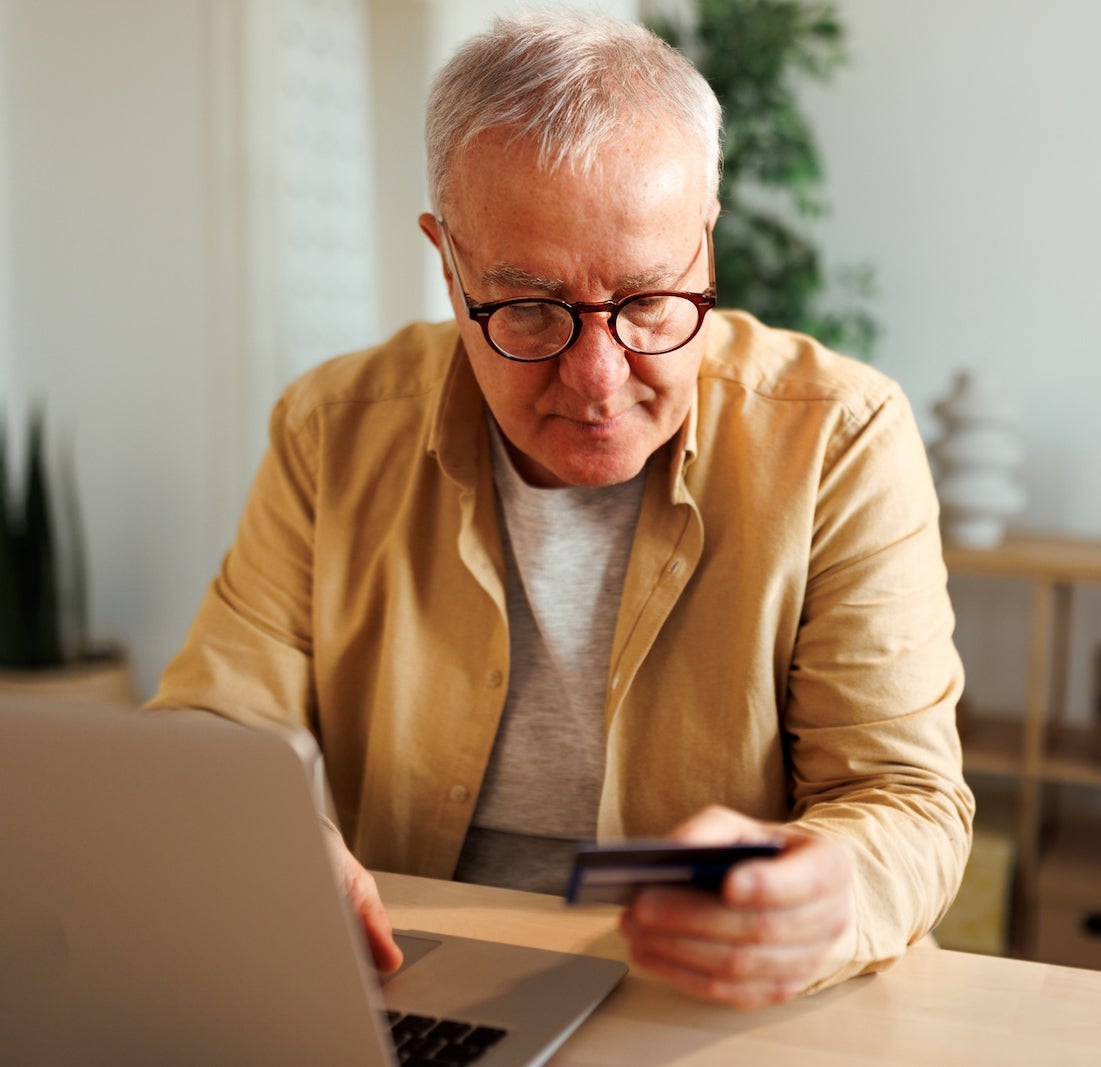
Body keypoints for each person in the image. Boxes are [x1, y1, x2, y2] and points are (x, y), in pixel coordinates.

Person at [148, 11, 972, 1009]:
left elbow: (908, 802)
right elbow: (205, 739)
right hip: (411, 981)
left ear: (704, 245)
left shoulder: (839, 439)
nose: (596, 378)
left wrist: (829, 888)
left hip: (702, 1001)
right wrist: (270, 845)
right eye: (529, 308)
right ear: (448, 268)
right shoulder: (333, 429)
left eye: (648, 302)